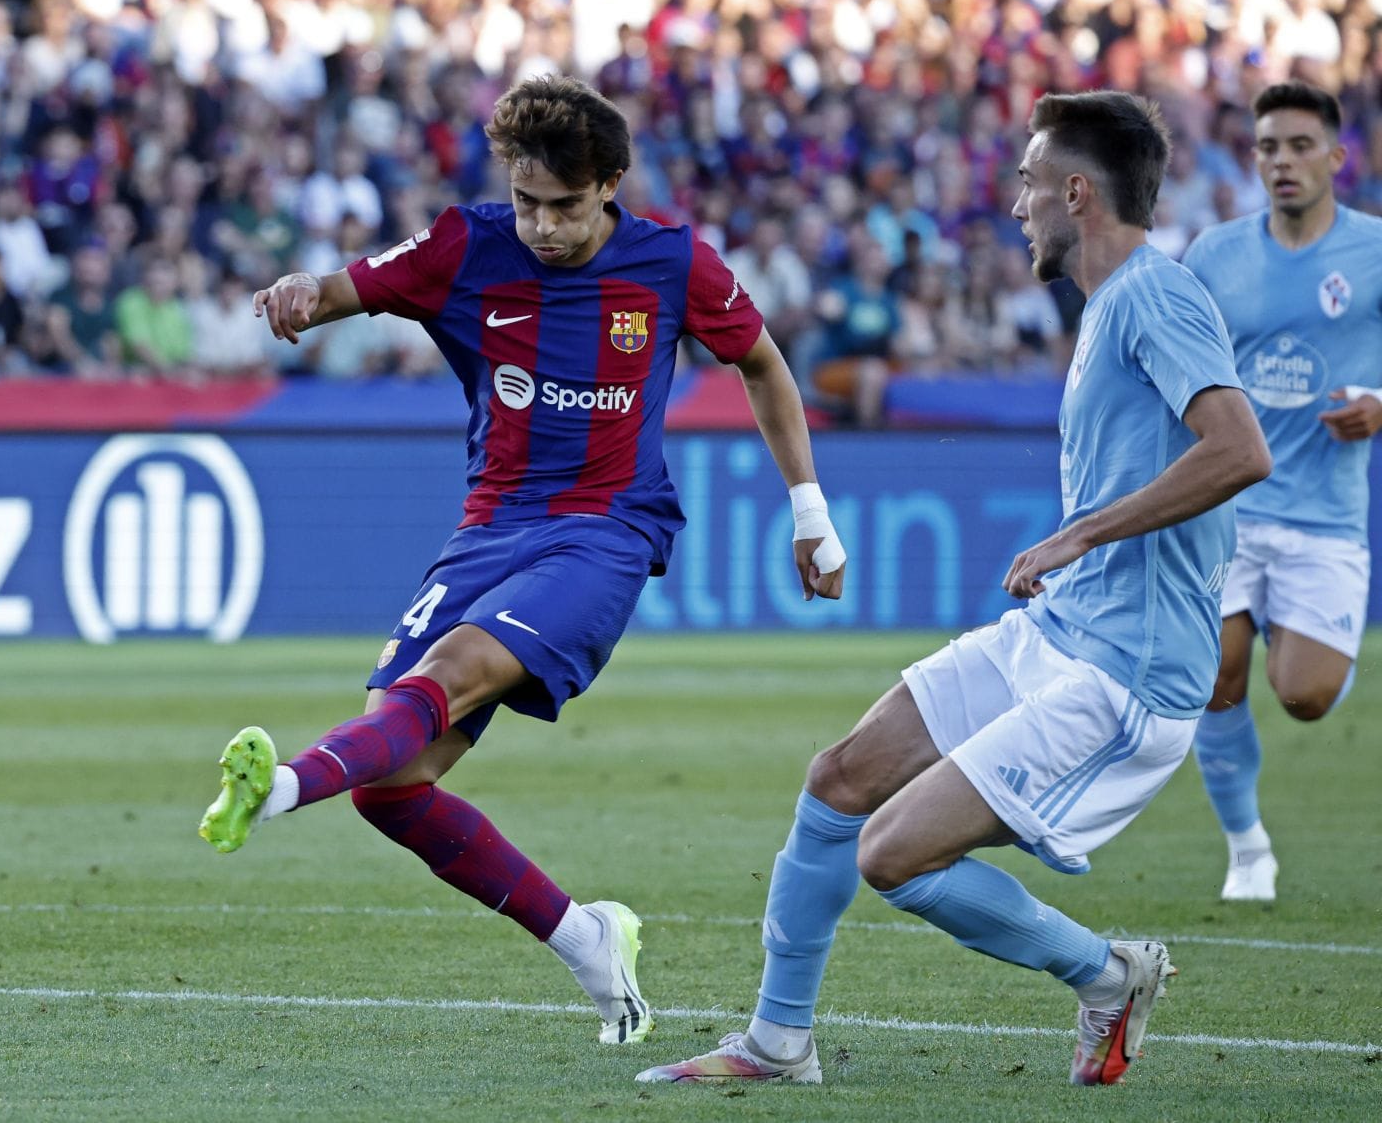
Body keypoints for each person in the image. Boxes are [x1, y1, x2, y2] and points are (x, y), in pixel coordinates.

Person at [197, 75, 847, 1046]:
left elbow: (760, 361)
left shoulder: (671, 263)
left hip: (607, 530)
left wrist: (809, 510)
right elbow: (344, 289)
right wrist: (299, 293)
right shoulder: (466, 246)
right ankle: (587, 938)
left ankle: (280, 786)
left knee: (449, 674)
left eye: (566, 207)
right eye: (528, 201)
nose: (543, 225)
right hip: (489, 528)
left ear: (612, 187)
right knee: (391, 784)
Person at [640, 92, 1270, 1089]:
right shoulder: (1113, 304)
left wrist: (1079, 532)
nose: (1016, 204)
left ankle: (1109, 972)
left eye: (1028, 182)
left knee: (890, 852)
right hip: (1063, 631)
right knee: (841, 778)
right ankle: (775, 1042)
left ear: (1077, 191)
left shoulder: (1155, 294)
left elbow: (1240, 450)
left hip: (1128, 672)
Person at [1179, 82, 1382, 903]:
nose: (1282, 161)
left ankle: (1290, 637)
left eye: (1300, 146)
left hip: (1326, 517)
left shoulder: (1373, 252)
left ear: (1336, 158)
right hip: (1231, 504)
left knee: (1303, 695)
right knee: (1214, 674)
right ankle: (1246, 845)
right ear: (1251, 157)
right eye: (1268, 147)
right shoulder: (1214, 255)